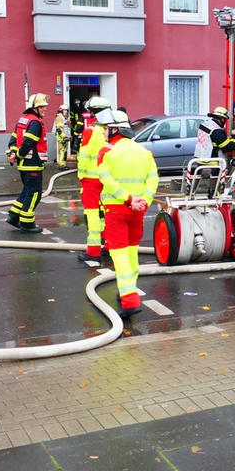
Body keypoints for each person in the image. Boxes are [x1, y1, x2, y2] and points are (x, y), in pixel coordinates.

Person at [96, 109, 159, 318]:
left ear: (116, 129)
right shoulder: (144, 152)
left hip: (116, 209)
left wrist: (128, 199)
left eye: (106, 128)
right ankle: (128, 290)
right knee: (132, 252)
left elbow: (107, 181)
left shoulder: (106, 152)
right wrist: (143, 201)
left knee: (119, 254)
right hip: (138, 211)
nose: (103, 132)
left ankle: (130, 299)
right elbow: (153, 180)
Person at [6, 93, 49, 233]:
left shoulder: (23, 120)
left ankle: (14, 216)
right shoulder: (35, 122)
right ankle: (27, 224)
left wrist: (13, 154)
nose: (44, 109)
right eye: (41, 107)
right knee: (35, 194)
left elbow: (13, 140)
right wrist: (18, 155)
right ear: (34, 108)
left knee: (27, 190)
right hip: (33, 164)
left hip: (24, 165)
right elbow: (28, 142)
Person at [76, 96, 112, 261]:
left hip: (91, 180)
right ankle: (108, 246)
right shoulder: (111, 130)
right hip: (108, 179)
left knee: (92, 215)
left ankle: (93, 251)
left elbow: (84, 155)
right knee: (107, 213)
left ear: (93, 112)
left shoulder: (90, 131)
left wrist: (81, 174)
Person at [193, 106, 235, 197]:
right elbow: (227, 147)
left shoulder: (205, 125)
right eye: (225, 120)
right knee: (214, 186)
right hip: (213, 163)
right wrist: (234, 137)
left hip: (201, 160)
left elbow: (212, 140)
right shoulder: (217, 131)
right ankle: (214, 200)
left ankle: (206, 199)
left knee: (203, 186)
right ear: (222, 119)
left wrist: (224, 138)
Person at [54, 104, 71, 170]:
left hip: (65, 137)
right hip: (61, 137)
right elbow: (59, 128)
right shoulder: (59, 117)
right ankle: (62, 165)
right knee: (62, 150)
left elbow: (67, 128)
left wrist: (69, 136)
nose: (65, 111)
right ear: (61, 111)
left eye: (66, 110)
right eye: (64, 110)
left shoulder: (65, 117)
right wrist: (64, 136)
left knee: (65, 150)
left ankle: (64, 164)